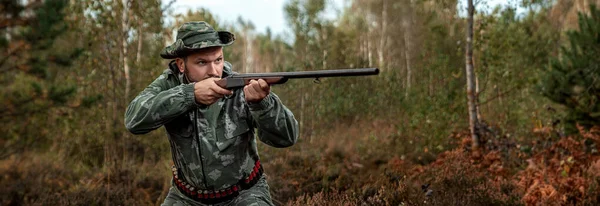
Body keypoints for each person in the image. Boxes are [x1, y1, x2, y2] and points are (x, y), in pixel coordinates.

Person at [124, 21, 299, 206]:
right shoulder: (169, 84)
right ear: (181, 65)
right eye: (202, 63)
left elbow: (287, 137)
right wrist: (189, 95)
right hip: (186, 197)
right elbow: (133, 120)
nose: (214, 71)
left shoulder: (242, 86)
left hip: (245, 193)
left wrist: (262, 104)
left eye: (218, 60)